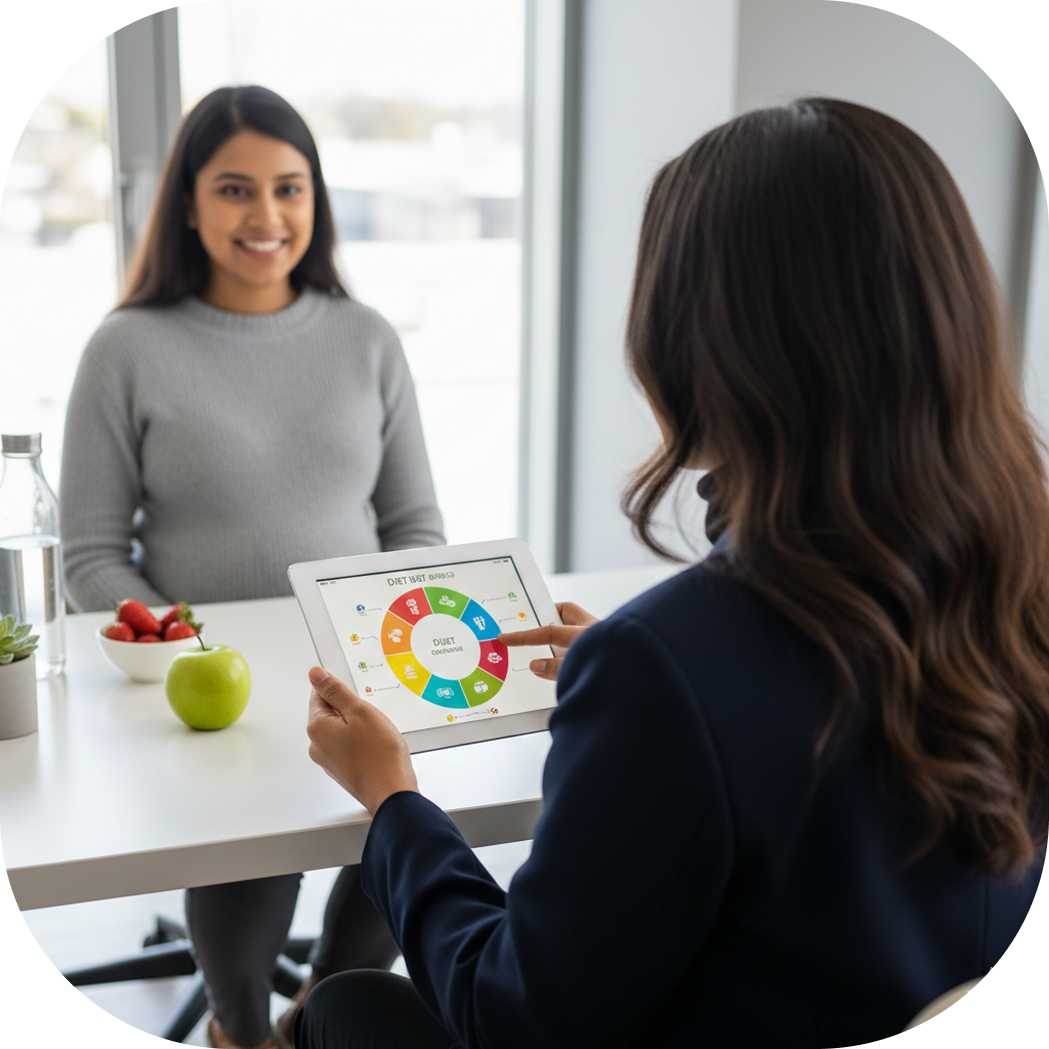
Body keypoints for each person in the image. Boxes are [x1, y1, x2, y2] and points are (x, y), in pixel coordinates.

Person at [295, 98, 1049, 1048]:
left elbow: (514, 1017)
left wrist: (393, 802)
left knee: (345, 1005)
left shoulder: (668, 663)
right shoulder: (1017, 581)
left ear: (698, 338)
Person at [59, 86, 445, 1049]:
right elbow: (92, 557)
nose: (266, 217)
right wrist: (196, 647)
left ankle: (320, 1010)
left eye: (289, 188)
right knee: (251, 842)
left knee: (406, 818)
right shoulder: (127, 348)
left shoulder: (367, 339)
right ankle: (238, 1031)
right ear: (188, 202)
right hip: (207, 686)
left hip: (354, 668)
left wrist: (379, 640)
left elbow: (417, 530)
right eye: (235, 189)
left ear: (315, 200)